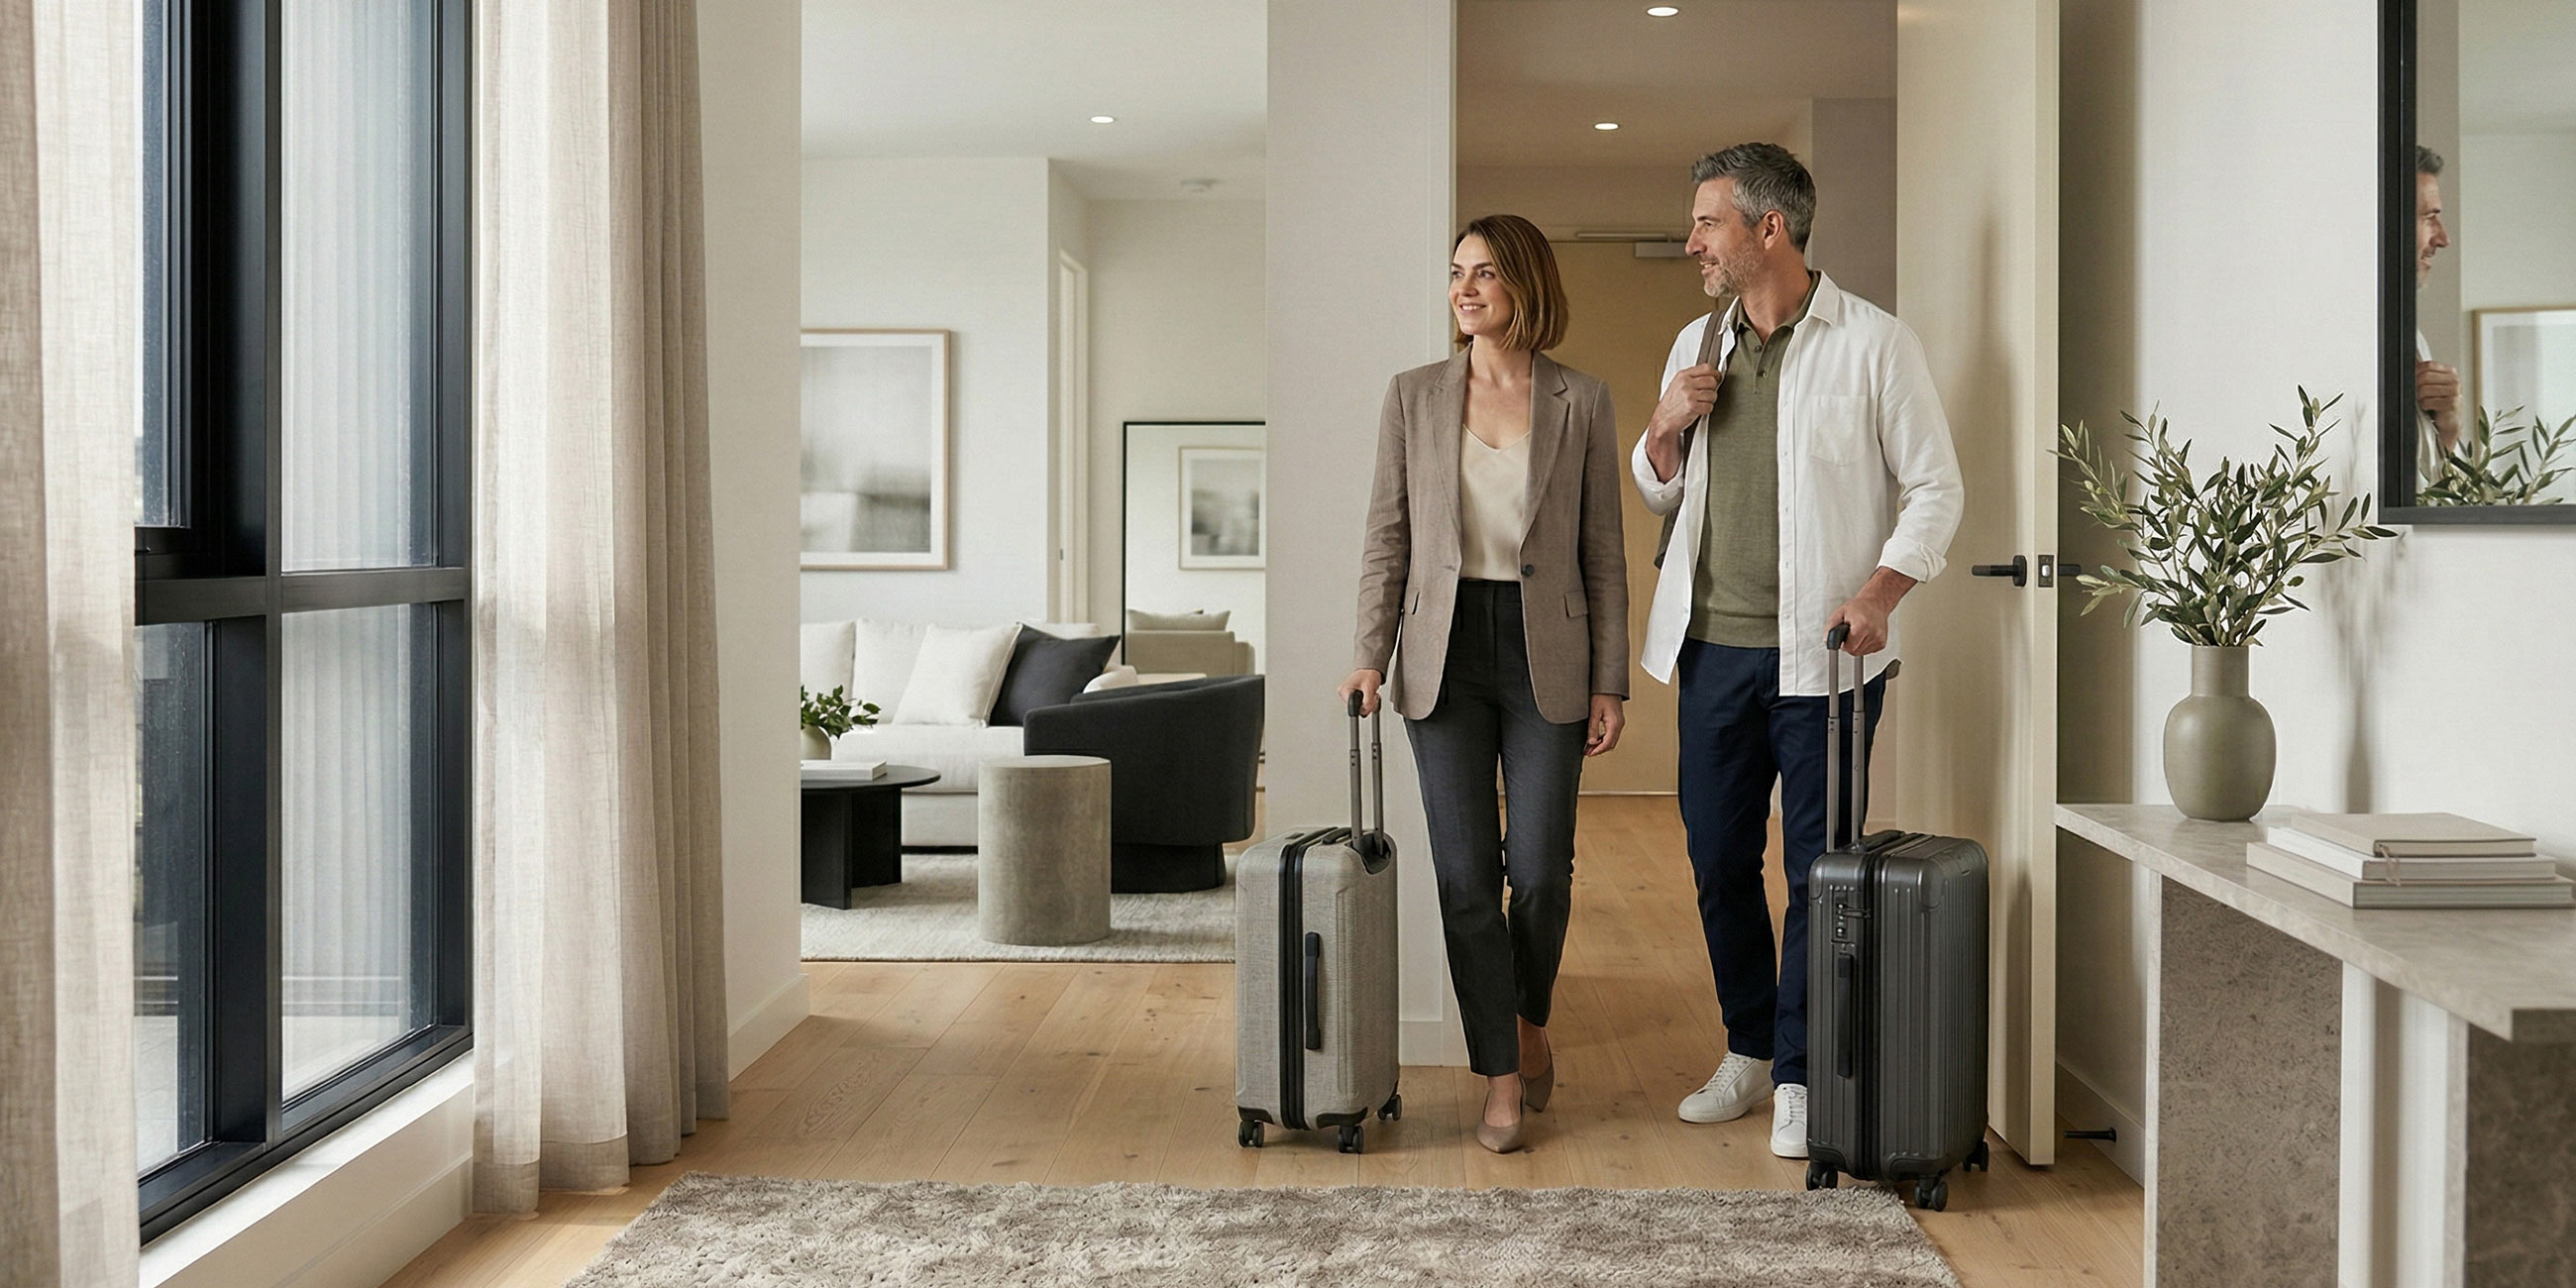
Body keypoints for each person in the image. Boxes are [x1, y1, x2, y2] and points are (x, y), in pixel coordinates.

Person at [1630, 144, 1962, 1159]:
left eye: (1706, 224)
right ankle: (1742, 1044)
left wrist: (1877, 591)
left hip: (1824, 661)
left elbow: (1935, 488)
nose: (1692, 242)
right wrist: (1661, 428)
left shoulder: (1873, 344)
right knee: (1716, 859)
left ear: (1766, 229)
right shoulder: (1695, 339)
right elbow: (1656, 488)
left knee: (1820, 872)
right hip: (1712, 652)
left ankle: (1799, 1070)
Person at [1342, 213, 1630, 1155]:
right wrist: (1369, 652)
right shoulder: (1414, 396)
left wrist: (1611, 680)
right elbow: (1389, 536)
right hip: (1444, 652)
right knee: (1468, 880)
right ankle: (1500, 1078)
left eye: (1485, 274)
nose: (1464, 290)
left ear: (1526, 286)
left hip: (1550, 649)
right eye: (1456, 273)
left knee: (1540, 873)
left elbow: (1602, 551)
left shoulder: (1582, 400)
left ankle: (1528, 1013)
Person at [2415, 145, 2463, 461]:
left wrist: (2448, 430)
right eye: (2430, 218)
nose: (2443, 239)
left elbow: (2428, 491)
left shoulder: (2412, 339)